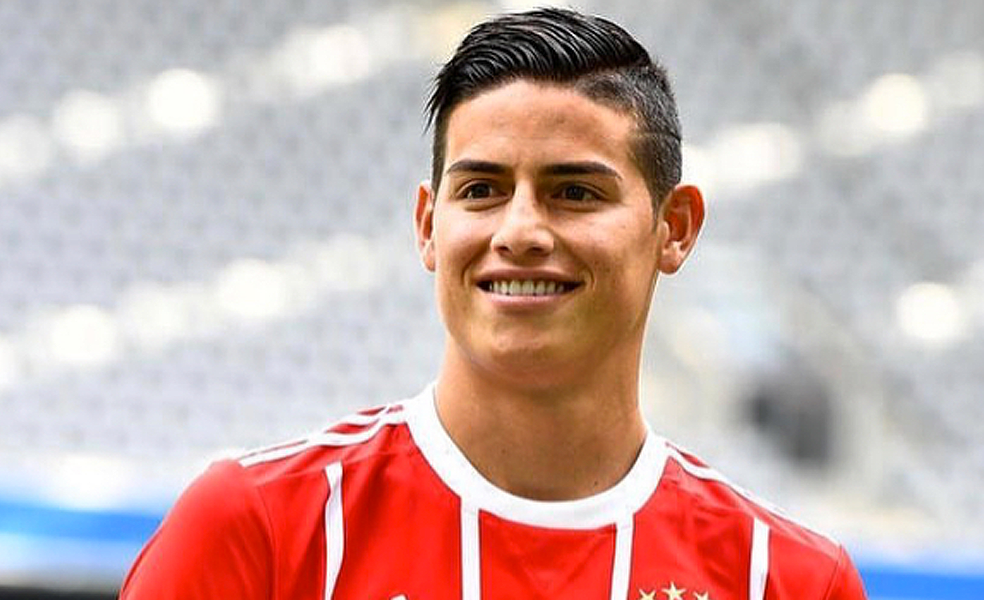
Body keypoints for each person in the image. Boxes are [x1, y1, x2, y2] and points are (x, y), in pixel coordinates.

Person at [120, 8, 867, 599]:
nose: (520, 232)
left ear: (674, 228)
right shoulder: (262, 528)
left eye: (576, 192)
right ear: (427, 226)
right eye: (481, 190)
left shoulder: (788, 580)